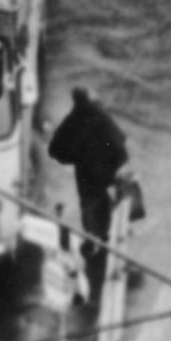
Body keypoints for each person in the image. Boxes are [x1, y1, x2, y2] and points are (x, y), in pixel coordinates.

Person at [44, 83, 137, 307]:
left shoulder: (74, 120)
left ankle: (94, 237)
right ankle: (105, 235)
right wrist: (115, 161)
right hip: (106, 171)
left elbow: (55, 147)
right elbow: (117, 143)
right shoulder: (101, 118)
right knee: (105, 200)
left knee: (89, 203)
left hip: (86, 172)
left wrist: (77, 156)